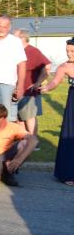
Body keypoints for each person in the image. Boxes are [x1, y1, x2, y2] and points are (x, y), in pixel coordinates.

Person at [37, 38, 74, 185]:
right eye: (67, 51)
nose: (69, 54)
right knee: (70, 137)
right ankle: (69, 174)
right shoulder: (64, 66)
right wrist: (46, 88)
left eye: (72, 51)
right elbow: (55, 82)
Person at [0, 103, 36, 187]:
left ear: (2, 119)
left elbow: (33, 140)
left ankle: (9, 172)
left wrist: (18, 160)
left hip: (6, 158)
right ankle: (1, 174)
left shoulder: (13, 127)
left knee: (25, 143)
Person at [14, 29, 51, 138]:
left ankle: (33, 142)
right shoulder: (14, 51)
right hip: (15, 91)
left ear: (22, 38)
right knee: (19, 118)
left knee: (29, 117)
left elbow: (47, 67)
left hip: (28, 91)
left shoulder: (33, 51)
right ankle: (23, 142)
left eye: (14, 37)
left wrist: (36, 83)